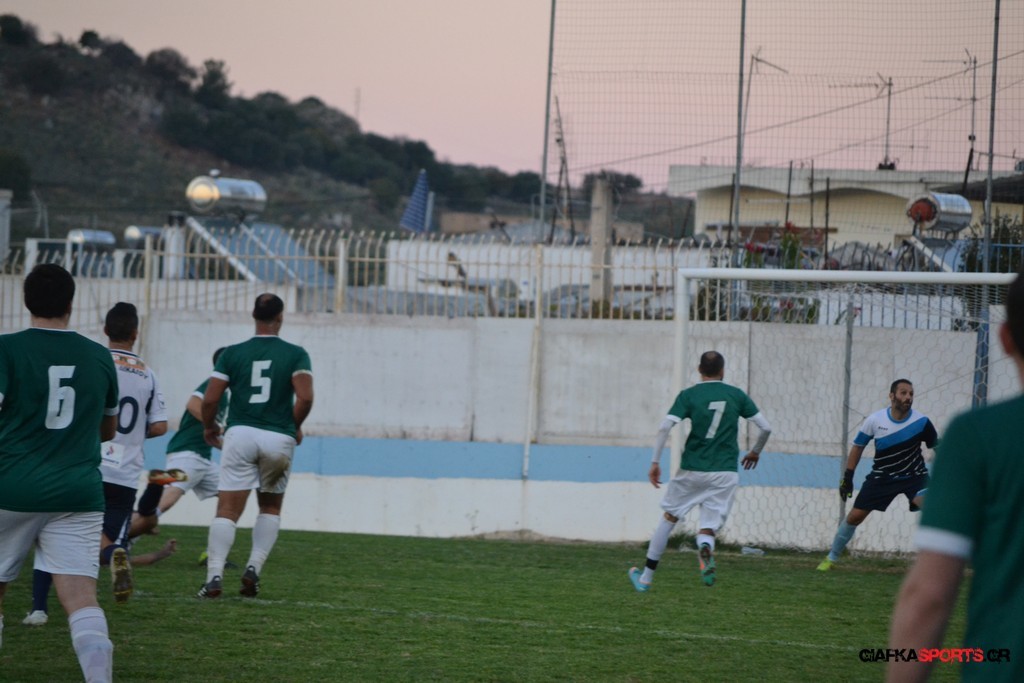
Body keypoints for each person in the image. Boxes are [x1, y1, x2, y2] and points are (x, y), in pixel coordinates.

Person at [887, 270, 1024, 682]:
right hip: (884, 479)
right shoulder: (883, 420)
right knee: (858, 514)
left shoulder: (976, 435)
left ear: (1005, 339)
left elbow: (929, 594)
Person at [0, 264, 118, 682]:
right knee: (82, 599)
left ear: (25, 301)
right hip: (77, 492)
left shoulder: (6, 349)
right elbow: (108, 429)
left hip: (11, 488)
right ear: (71, 303)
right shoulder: (99, 355)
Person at [198, 293, 313, 599]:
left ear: (254, 316)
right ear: (281, 317)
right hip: (278, 437)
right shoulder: (296, 354)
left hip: (240, 434)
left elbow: (210, 399)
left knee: (227, 509)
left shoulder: (232, 353)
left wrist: (209, 426)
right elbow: (305, 397)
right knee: (270, 506)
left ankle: (214, 577)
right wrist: (293, 425)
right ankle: (253, 569)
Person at [628, 350, 771, 590]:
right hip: (725, 472)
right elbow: (765, 428)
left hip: (693, 469)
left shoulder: (689, 395)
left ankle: (646, 578)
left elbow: (664, 427)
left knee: (670, 517)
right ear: (722, 371)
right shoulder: (736, 395)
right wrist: (755, 451)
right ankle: (705, 547)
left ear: (699, 370)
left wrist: (655, 462)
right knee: (708, 527)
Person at [816, 379, 938, 571]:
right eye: (903, 393)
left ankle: (939, 564)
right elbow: (858, 447)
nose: (908, 397)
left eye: (911, 394)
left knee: (935, 512)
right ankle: (831, 558)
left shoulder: (921, 422)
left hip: (915, 476)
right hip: (882, 477)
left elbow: (937, 447)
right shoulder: (875, 420)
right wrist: (848, 477)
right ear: (891, 396)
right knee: (854, 517)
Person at [129, 347, 229, 543]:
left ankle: (215, 549)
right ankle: (129, 533)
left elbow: (210, 435)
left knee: (231, 493)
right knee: (169, 499)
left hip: (202, 459)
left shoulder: (223, 394)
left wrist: (233, 449)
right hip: (188, 454)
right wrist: (214, 425)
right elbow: (192, 404)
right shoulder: (212, 386)